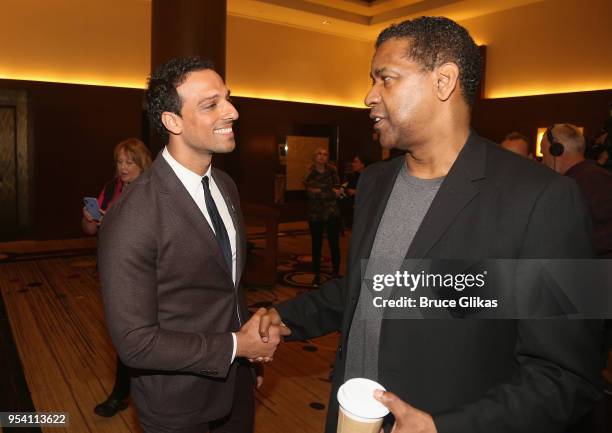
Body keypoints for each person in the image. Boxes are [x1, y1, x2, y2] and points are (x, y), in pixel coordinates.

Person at [259, 17, 602, 433]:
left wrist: (444, 427)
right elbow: (370, 287)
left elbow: (566, 377)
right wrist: (284, 316)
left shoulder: (544, 199)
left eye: (385, 79)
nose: (369, 96)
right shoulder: (375, 181)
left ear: (444, 81)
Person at [98, 57, 287, 433]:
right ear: (172, 122)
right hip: (178, 405)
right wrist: (237, 347)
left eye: (228, 99)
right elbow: (135, 342)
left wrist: (246, 366)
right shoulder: (133, 214)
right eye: (211, 104)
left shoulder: (227, 186)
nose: (231, 111)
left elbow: (226, 288)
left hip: (236, 386)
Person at [82, 138, 152, 417]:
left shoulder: (152, 190)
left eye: (129, 162)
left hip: (144, 273)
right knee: (125, 333)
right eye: (119, 162)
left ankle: (125, 393)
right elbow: (89, 230)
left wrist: (114, 219)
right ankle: (124, 392)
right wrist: (90, 218)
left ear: (142, 163)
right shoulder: (112, 188)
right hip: (115, 271)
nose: (122, 168)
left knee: (138, 333)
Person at [541, 123, 612, 258]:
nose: (543, 161)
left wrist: (575, 246)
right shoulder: (585, 177)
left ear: (557, 150)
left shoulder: (594, 180)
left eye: (544, 154)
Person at [304, 147, 342, 286]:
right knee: (316, 245)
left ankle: (336, 272)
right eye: (319, 153)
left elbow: (338, 191)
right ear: (315, 156)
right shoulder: (310, 171)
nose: (322, 156)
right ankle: (316, 275)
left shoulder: (332, 171)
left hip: (332, 213)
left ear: (327, 157)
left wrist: (320, 190)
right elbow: (310, 193)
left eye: (325, 154)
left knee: (334, 244)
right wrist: (329, 190)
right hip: (315, 214)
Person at [341, 155, 370, 228]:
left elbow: (373, 192)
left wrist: (357, 192)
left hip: (365, 210)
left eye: (355, 162)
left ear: (362, 164)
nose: (352, 164)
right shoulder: (353, 176)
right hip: (353, 208)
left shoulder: (370, 176)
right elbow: (348, 189)